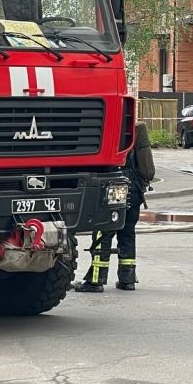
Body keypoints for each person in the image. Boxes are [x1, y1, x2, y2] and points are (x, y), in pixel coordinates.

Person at [76, 121, 155, 292]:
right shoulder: (138, 131)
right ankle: (127, 280)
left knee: (102, 234)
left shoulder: (106, 129)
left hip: (111, 188)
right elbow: (148, 171)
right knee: (127, 233)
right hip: (134, 190)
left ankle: (96, 281)